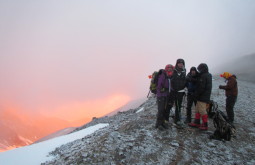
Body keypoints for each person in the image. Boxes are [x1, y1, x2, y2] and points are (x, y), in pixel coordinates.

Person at [189, 63, 212, 130]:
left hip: (202, 96)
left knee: (202, 110)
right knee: (197, 109)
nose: (198, 71)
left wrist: (196, 94)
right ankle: (197, 122)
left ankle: (205, 124)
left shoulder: (204, 76)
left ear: (202, 69)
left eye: (199, 69)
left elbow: (201, 87)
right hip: (203, 96)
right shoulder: (208, 75)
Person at [168, 59, 186, 127]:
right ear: (177, 64)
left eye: (182, 63)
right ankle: (166, 119)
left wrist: (184, 88)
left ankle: (177, 119)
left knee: (178, 106)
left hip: (180, 92)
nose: (181, 64)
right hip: (173, 91)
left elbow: (184, 80)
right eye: (179, 63)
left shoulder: (184, 71)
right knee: (169, 105)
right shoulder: (173, 71)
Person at [155, 65, 173, 130]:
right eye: (168, 68)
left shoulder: (169, 76)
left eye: (171, 68)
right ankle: (158, 124)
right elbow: (159, 85)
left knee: (164, 110)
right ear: (166, 68)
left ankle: (162, 123)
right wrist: (161, 92)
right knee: (161, 110)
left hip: (166, 95)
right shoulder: (163, 75)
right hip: (161, 95)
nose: (170, 69)